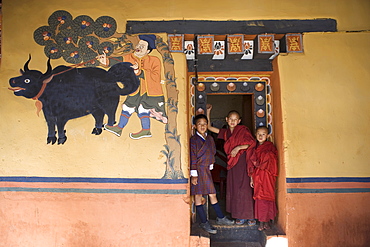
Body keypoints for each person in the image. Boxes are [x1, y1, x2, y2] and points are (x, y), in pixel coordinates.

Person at [98, 35, 167, 139]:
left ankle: (146, 130)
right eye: (139, 45)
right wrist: (106, 61)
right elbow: (118, 61)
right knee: (127, 107)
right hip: (135, 90)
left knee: (144, 109)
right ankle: (119, 128)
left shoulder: (154, 60)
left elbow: (155, 76)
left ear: (148, 51)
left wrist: (139, 72)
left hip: (150, 91)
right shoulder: (130, 57)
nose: (139, 47)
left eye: (143, 46)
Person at [206, 104, 257, 226]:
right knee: (235, 189)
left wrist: (239, 147)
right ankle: (239, 215)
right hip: (233, 164)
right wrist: (208, 112)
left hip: (243, 162)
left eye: (235, 119)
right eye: (231, 119)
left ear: (239, 121)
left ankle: (250, 216)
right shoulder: (226, 133)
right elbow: (208, 127)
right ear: (227, 120)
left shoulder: (243, 130)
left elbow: (252, 143)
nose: (233, 121)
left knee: (245, 189)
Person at [190, 114, 234, 234]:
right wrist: (194, 174)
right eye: (200, 124)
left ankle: (220, 217)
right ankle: (204, 222)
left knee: (212, 194)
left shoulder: (209, 138)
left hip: (206, 170)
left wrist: (211, 163)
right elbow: (192, 157)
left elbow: (213, 150)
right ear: (195, 126)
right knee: (198, 196)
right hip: (198, 170)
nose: (203, 126)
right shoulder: (194, 140)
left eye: (205, 124)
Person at [250, 126, 278, 231]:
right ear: (255, 135)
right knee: (260, 199)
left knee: (268, 198)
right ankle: (261, 222)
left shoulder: (270, 147)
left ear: (267, 135)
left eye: (263, 134)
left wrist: (267, 157)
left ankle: (267, 222)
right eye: (258, 134)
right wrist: (251, 178)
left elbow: (273, 161)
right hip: (258, 176)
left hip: (267, 176)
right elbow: (252, 163)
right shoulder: (254, 147)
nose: (260, 136)